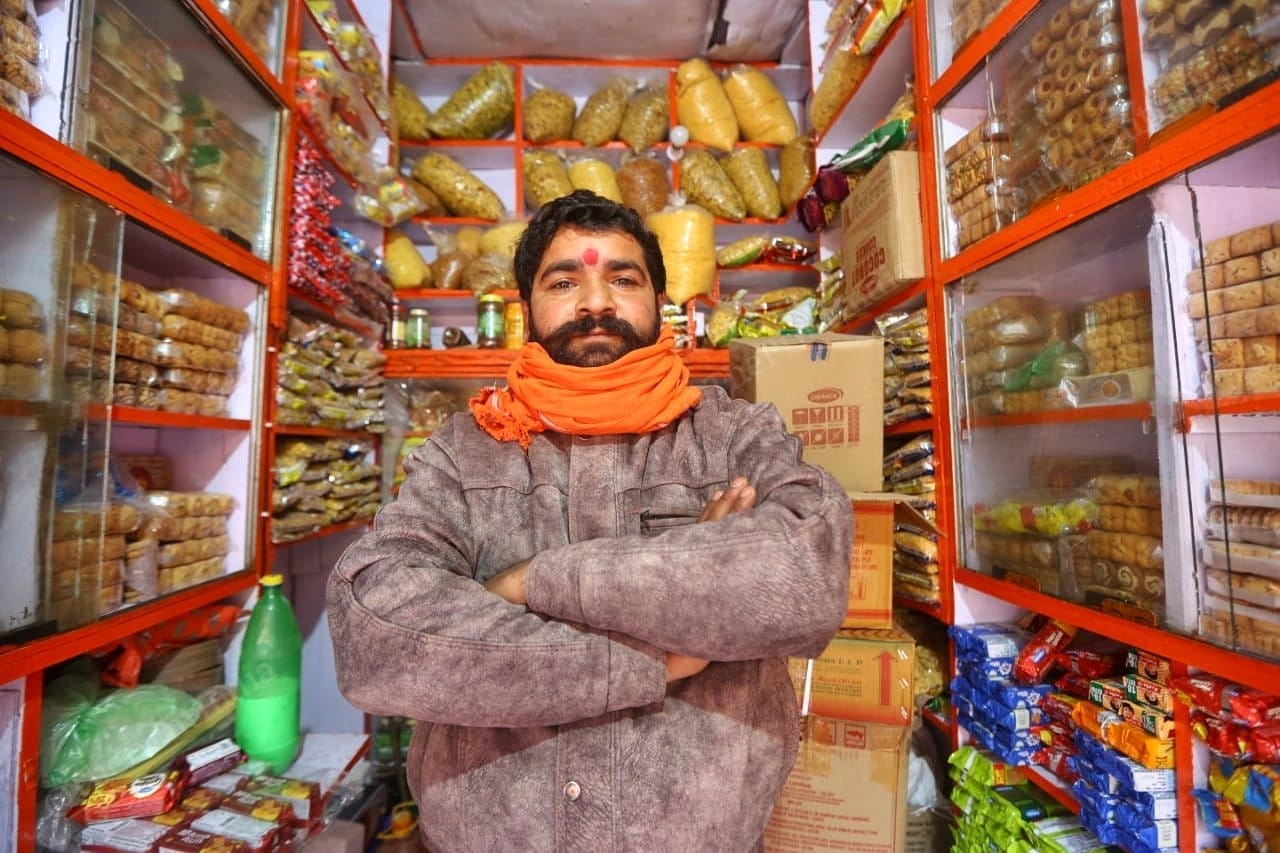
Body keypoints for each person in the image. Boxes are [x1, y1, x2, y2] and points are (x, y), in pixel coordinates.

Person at [327, 190, 852, 851]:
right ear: (527, 311)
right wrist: (656, 654)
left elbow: (807, 576)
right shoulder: (466, 449)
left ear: (660, 304)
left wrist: (524, 583)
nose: (596, 301)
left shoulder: (732, 434)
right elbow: (376, 632)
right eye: (564, 280)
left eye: (623, 279)